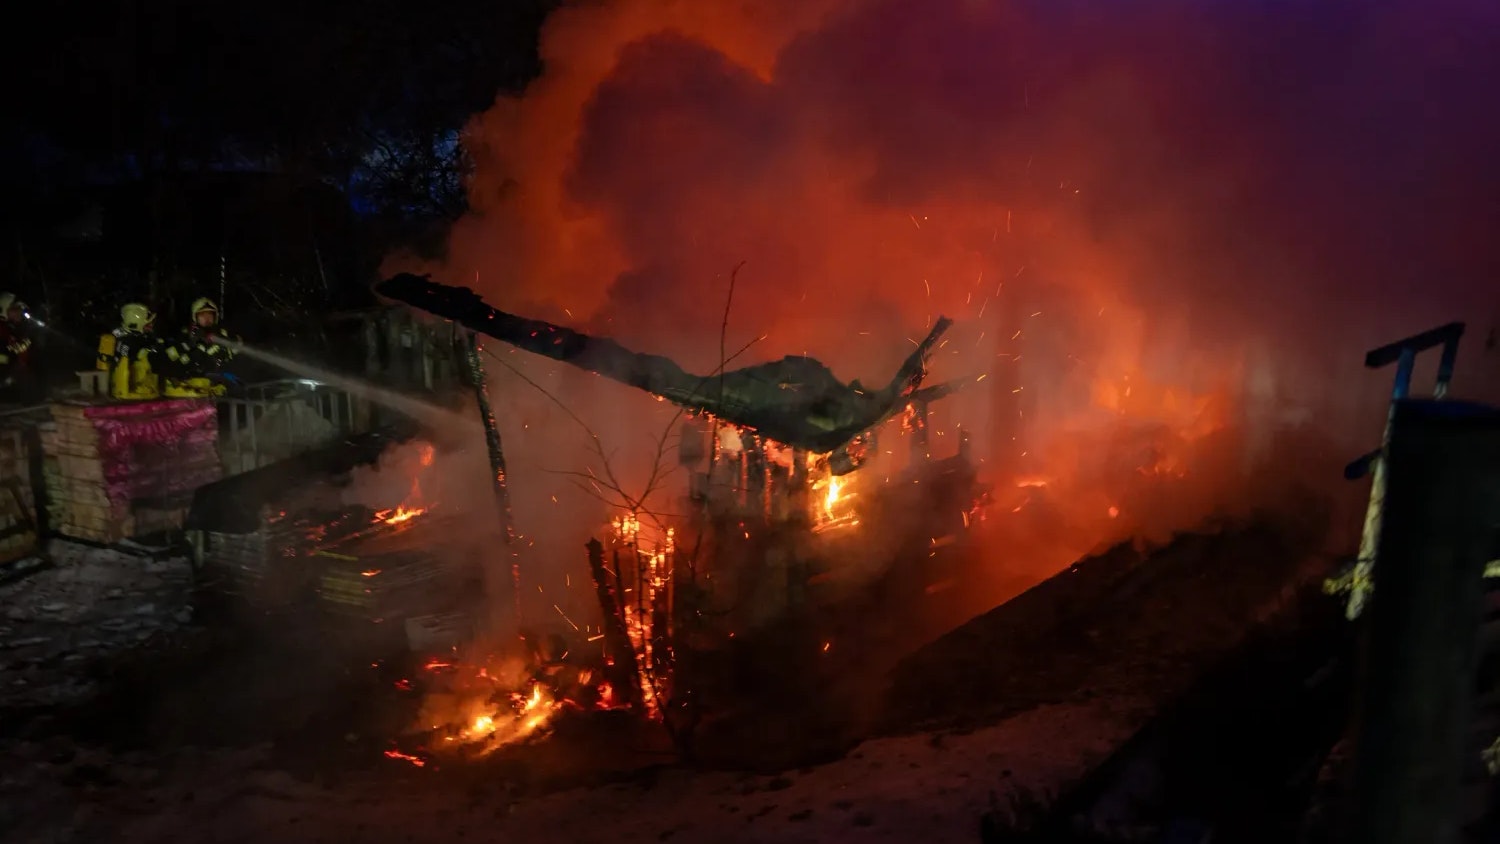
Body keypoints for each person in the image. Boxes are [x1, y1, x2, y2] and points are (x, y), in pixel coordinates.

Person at [161, 297, 239, 397]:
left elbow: (232, 363)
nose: (207, 318)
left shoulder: (222, 337)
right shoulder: (185, 337)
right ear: (195, 317)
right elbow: (172, 363)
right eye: (202, 314)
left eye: (210, 314)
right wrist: (191, 346)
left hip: (216, 390)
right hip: (188, 391)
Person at [97, 302, 162, 400]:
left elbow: (149, 345)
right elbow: (124, 355)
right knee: (140, 362)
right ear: (137, 322)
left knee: (147, 360)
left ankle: (145, 386)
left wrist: (152, 347)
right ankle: (136, 386)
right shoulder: (122, 337)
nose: (151, 326)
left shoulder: (138, 336)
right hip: (123, 372)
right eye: (148, 324)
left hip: (133, 367)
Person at [0, 292, 40, 402]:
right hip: (6, 371)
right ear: (5, 309)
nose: (19, 313)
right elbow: (11, 350)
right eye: (15, 309)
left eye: (19, 309)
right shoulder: (3, 329)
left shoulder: (16, 327)